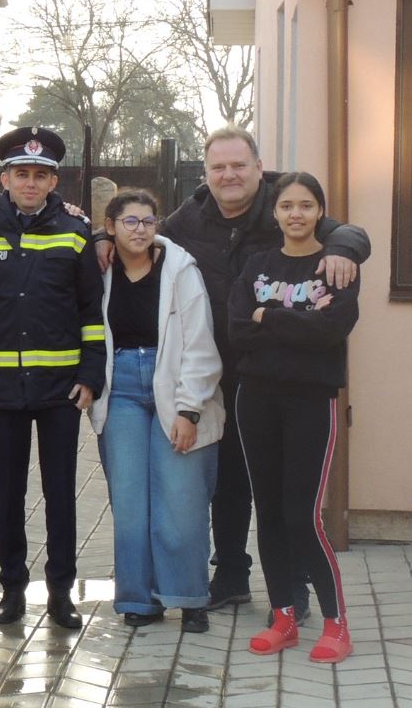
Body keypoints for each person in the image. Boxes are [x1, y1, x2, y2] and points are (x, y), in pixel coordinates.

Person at [97, 125, 369, 617]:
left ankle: (296, 588)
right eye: (218, 167)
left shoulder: (286, 203)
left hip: (277, 372)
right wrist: (102, 237)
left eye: (238, 165)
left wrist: (345, 249)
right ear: (206, 173)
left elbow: (345, 229)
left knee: (283, 489)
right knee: (225, 480)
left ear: (258, 168)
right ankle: (231, 576)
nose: (229, 175)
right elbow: (140, 230)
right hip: (214, 372)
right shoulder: (191, 216)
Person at [0, 126, 104, 630]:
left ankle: (60, 591)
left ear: (54, 180)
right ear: (6, 177)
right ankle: (12, 588)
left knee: (60, 491)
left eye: (41, 175)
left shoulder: (75, 231)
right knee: (8, 491)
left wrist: (91, 375)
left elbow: (90, 311)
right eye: (22, 174)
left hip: (61, 390)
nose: (31, 183)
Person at [228, 172, 359, 663]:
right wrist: (292, 324)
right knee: (269, 513)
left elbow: (329, 332)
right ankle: (284, 615)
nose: (296, 214)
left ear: (320, 212)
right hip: (256, 399)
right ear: (276, 213)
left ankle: (336, 624)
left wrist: (270, 317)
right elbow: (238, 328)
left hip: (310, 400)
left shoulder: (336, 266)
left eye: (306, 205)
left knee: (302, 516)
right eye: (287, 205)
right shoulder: (258, 264)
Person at [90, 190, 224, 634]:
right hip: (122, 389)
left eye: (148, 221)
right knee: (129, 500)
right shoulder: (100, 270)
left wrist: (189, 409)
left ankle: (188, 597)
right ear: (110, 226)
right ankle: (139, 599)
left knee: (181, 498)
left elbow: (201, 344)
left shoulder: (180, 269)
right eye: (129, 221)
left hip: (176, 386)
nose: (140, 230)